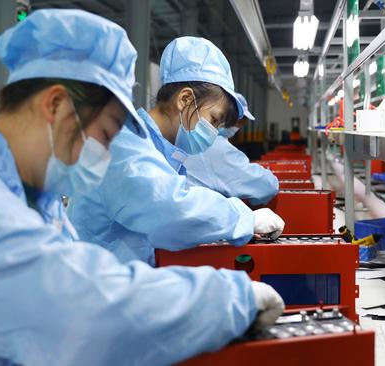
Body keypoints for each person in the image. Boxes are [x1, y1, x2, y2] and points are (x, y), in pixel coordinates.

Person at [0, 10, 283, 366]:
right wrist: (226, 300)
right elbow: (81, 306)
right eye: (105, 134)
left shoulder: (31, 196)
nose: (106, 152)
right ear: (56, 105)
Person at [69, 37, 285, 265]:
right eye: (214, 119)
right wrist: (242, 219)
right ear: (184, 99)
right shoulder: (123, 144)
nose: (214, 133)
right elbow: (167, 208)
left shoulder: (158, 149)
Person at [184, 92, 279, 205]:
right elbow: (266, 186)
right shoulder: (216, 148)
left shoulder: (189, 138)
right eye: (238, 119)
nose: (239, 125)